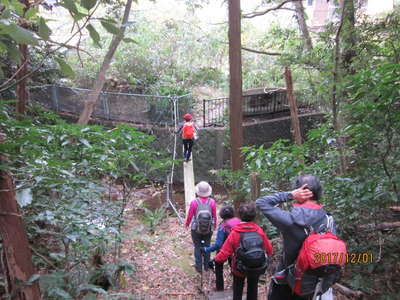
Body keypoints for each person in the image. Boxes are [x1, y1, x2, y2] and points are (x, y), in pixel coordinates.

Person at [256, 174, 336, 300]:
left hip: (287, 282)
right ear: (319, 193)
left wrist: (290, 195)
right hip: (314, 283)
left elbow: (261, 202)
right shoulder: (328, 219)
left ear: (299, 191)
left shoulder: (289, 220)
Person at [214, 203, 273, 300]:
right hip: (256, 266)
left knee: (237, 290)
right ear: (254, 216)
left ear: (239, 216)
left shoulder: (235, 232)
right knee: (253, 289)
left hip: (239, 268)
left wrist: (216, 260)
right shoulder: (259, 230)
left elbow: (225, 253)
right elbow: (269, 249)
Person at [201, 205, 241, 291]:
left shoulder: (223, 226)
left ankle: (220, 288)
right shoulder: (239, 221)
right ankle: (236, 288)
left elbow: (218, 244)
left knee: (219, 269)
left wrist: (206, 249)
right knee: (234, 269)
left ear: (222, 215)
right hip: (237, 251)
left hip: (224, 251)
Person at [185, 181, 217, 273]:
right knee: (207, 245)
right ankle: (206, 266)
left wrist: (187, 225)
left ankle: (199, 267)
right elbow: (214, 216)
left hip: (196, 229)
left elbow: (190, 216)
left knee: (197, 246)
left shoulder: (194, 202)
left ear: (198, 191)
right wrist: (214, 226)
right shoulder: (212, 202)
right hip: (208, 229)